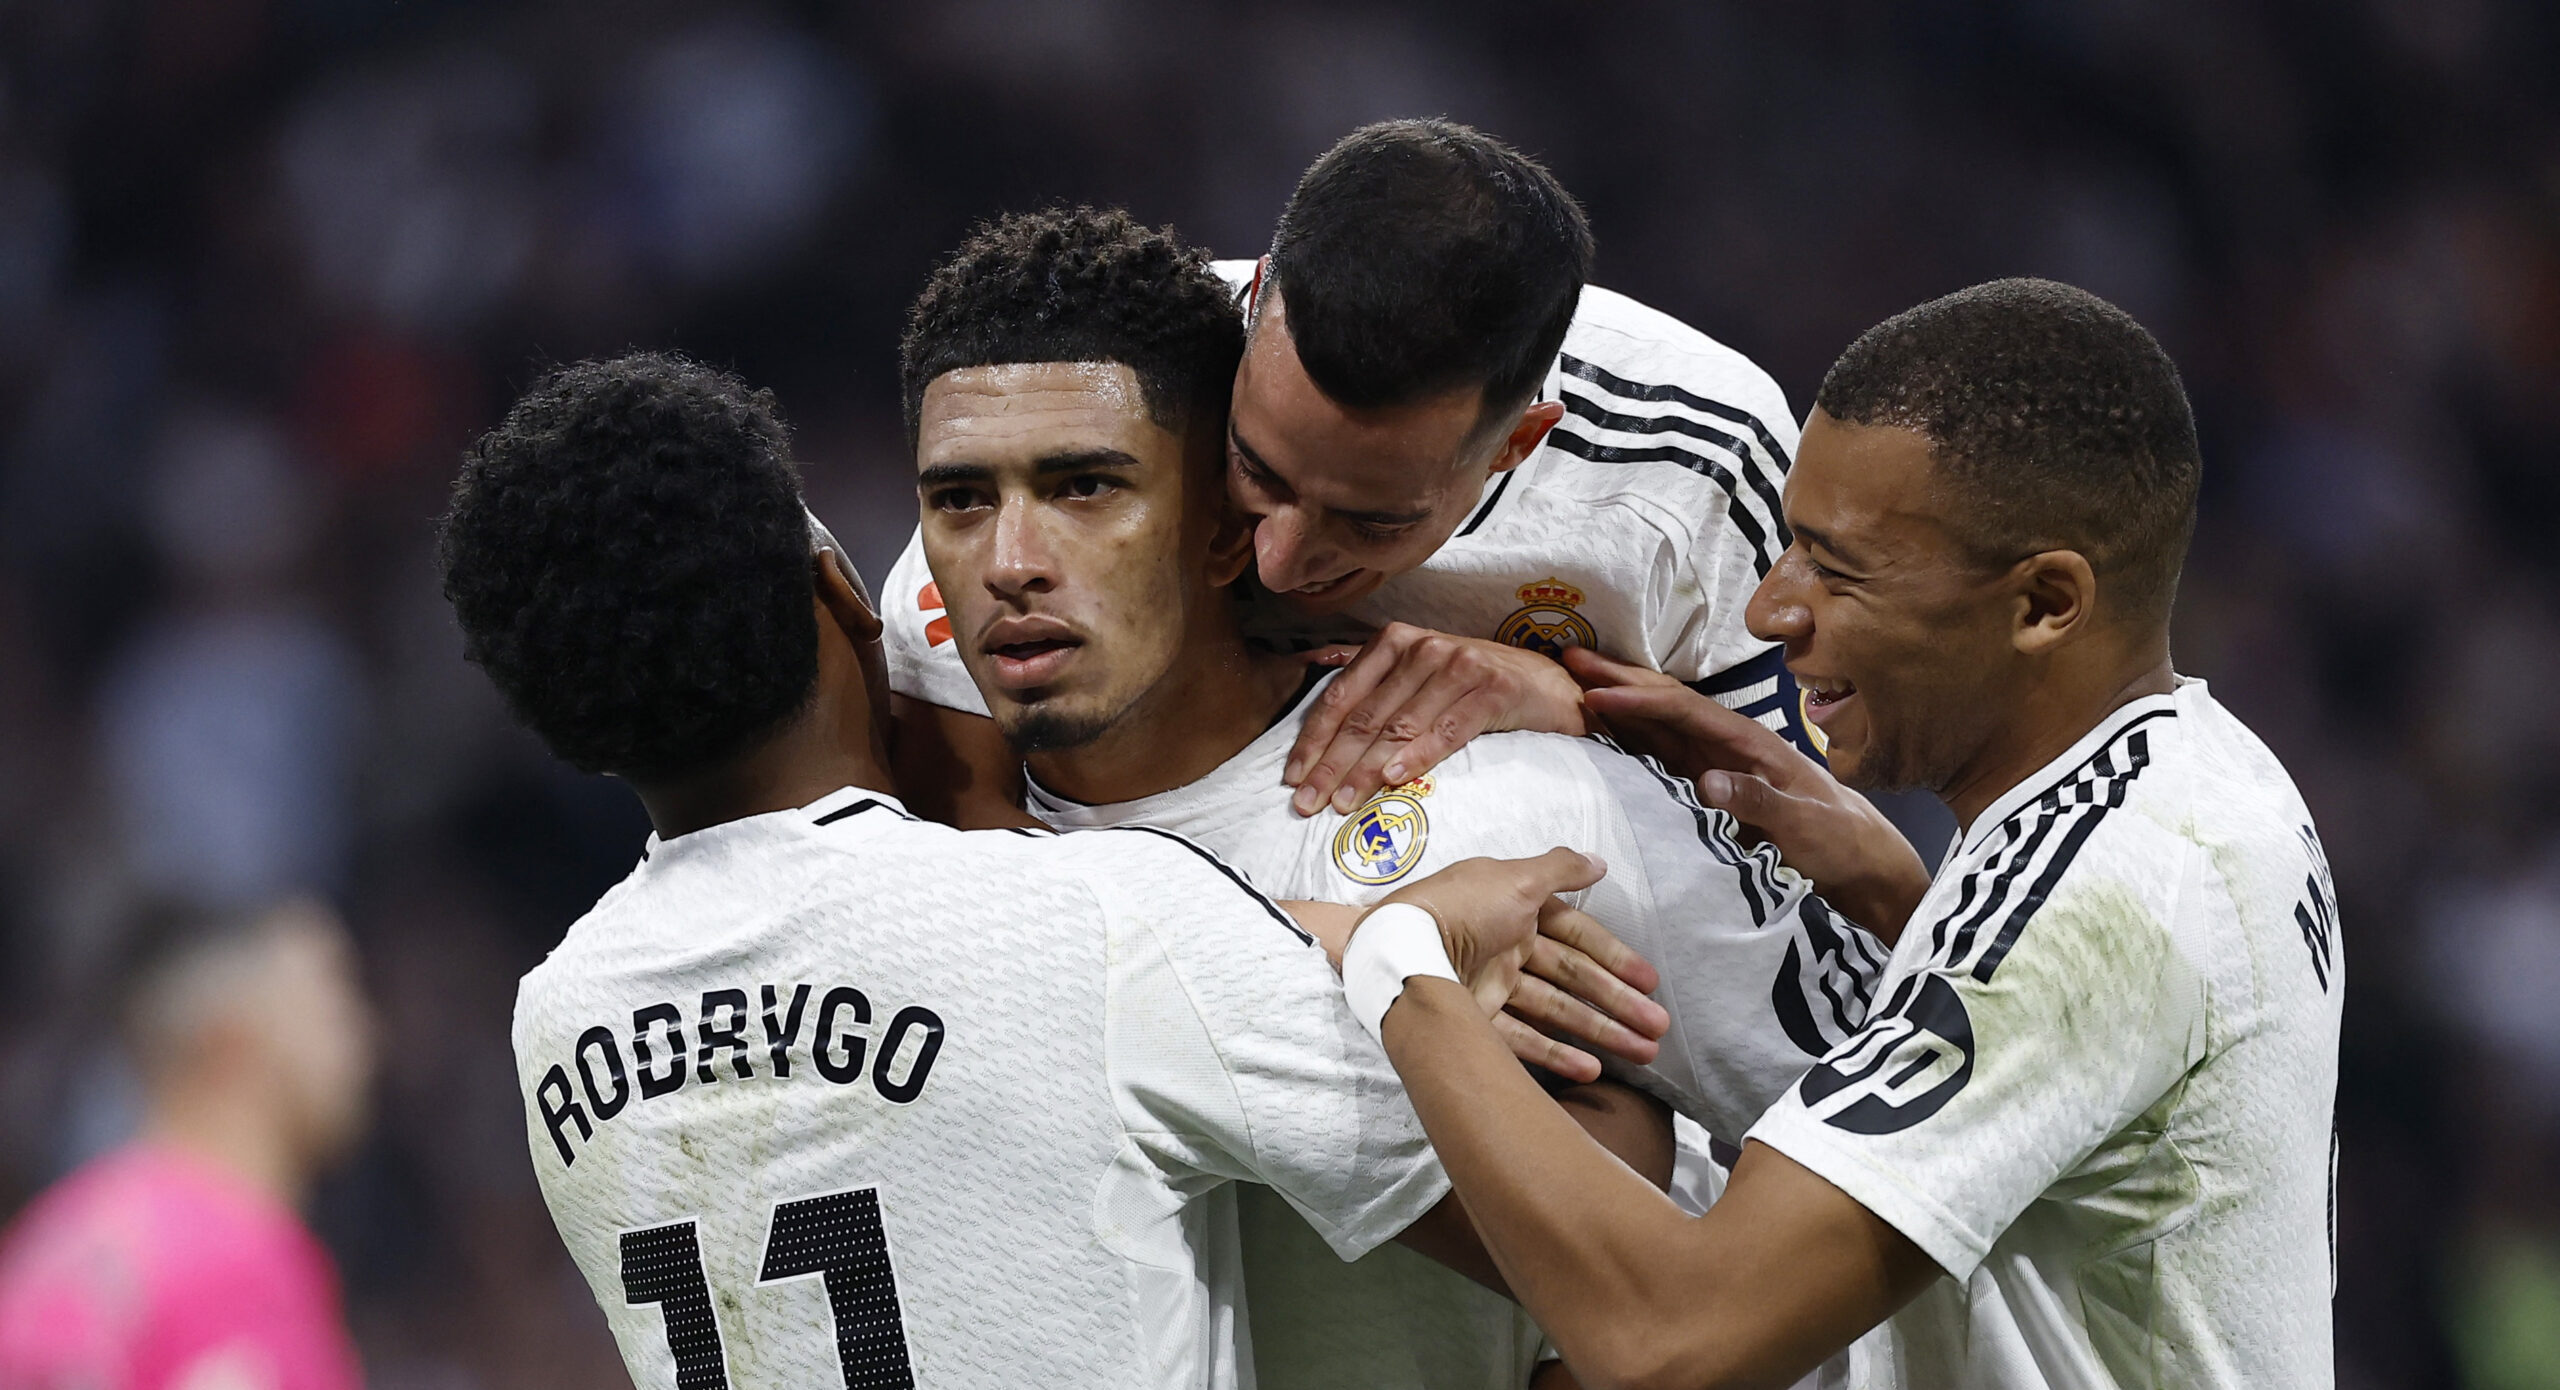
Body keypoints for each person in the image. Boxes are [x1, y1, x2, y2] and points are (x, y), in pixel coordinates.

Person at [443, 352, 1669, 1390]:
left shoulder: (553, 1020)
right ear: (841, 588)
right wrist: (1388, 943)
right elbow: (1596, 1216)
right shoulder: (1095, 921)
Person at [901, 204, 1887, 1390]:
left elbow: (1873, 1122)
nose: (1012, 557)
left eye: (1086, 488)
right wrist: (1362, 957)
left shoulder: (1525, 809)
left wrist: (1592, 710)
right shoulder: (914, 862)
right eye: (959, 501)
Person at [1333, 279, 2345, 1388]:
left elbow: (1671, 1344)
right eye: (1786, 549)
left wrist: (1403, 960)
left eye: (1837, 568)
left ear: (2045, 603)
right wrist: (1901, 902)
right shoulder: (2212, 782)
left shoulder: (2102, 892)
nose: (1771, 611)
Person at [881, 118, 1815, 829]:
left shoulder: (1700, 460)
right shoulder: (1121, 391)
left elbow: (1801, 843)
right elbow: (971, 867)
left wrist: (1569, 712)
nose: (1282, 562)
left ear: (1514, 446)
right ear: (1252, 319)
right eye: (1258, 470)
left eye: (1371, 522)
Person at [0, 899, 375, 1390]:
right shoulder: (235, 1268)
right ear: (232, 1041)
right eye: (332, 1008)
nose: (366, 1037)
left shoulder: (62, 1230)